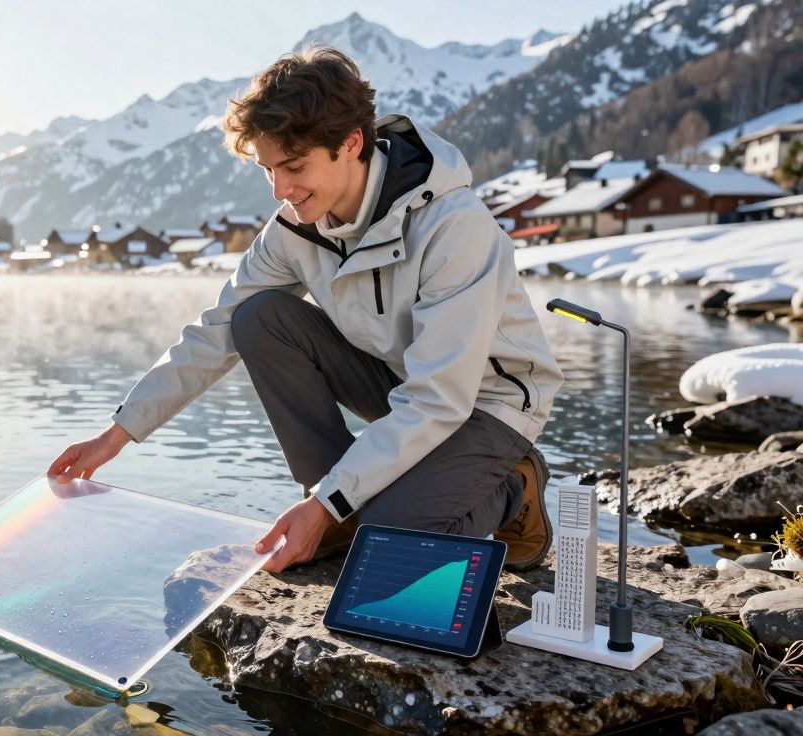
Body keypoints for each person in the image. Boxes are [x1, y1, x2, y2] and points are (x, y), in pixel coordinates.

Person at [47, 46, 563, 575]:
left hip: (487, 403)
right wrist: (116, 435)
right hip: (398, 382)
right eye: (269, 170)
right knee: (259, 317)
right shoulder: (293, 229)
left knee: (385, 551)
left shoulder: (453, 227)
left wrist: (326, 503)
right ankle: (336, 509)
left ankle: (511, 488)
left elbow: (440, 398)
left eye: (294, 166)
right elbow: (217, 329)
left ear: (351, 143)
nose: (281, 190)